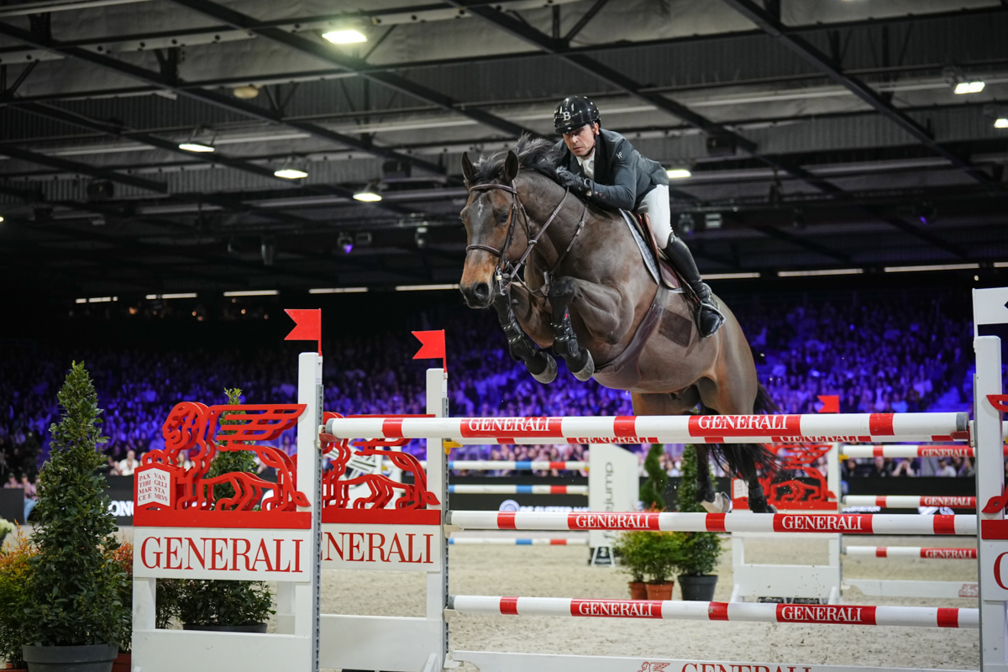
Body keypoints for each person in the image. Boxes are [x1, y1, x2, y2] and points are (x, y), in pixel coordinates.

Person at [551, 95, 724, 337]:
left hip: (644, 191)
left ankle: (703, 296)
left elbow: (625, 198)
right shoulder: (561, 152)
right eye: (567, 134)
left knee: (660, 234)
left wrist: (582, 184)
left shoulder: (617, 146)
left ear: (596, 127)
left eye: (579, 131)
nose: (573, 139)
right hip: (604, 200)